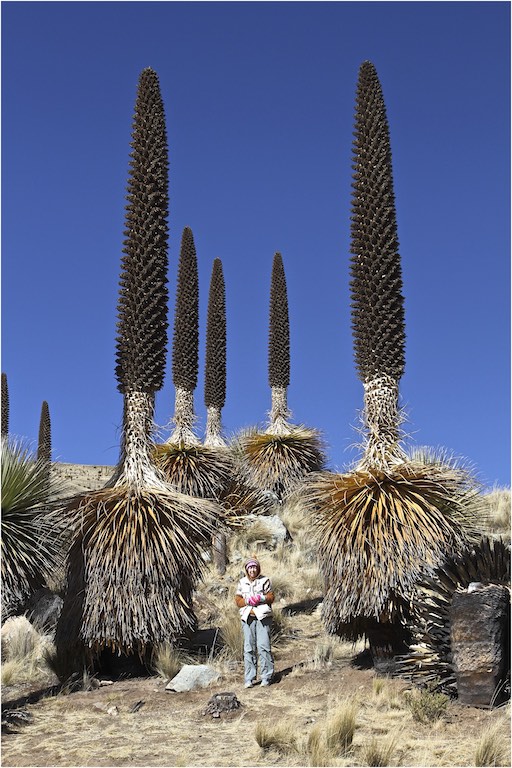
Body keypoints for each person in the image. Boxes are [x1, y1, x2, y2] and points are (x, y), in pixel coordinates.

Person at [235, 556, 275, 688]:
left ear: (258, 568)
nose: (252, 570)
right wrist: (247, 601)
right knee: (249, 648)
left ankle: (266, 676)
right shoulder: (242, 582)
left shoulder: (265, 580)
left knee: (263, 646)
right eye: (250, 567)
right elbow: (238, 601)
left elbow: (271, 597)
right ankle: (249, 678)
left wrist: (260, 598)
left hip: (263, 617)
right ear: (246, 569)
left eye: (254, 567)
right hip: (247, 617)